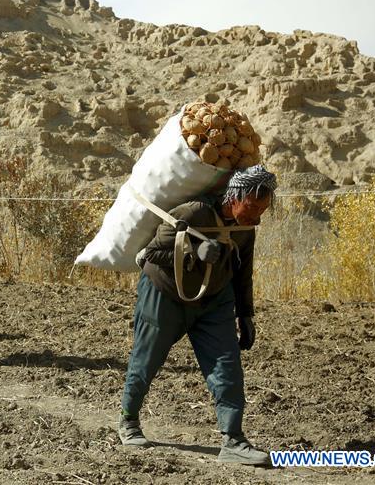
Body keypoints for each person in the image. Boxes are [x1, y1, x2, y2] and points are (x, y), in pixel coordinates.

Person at [118, 165, 278, 466]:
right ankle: (128, 420)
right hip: (164, 294)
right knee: (147, 359)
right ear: (235, 197)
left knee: (227, 366)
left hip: (215, 300)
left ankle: (233, 440)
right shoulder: (193, 213)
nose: (257, 216)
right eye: (253, 207)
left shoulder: (245, 228)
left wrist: (245, 314)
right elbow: (149, 254)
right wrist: (194, 252)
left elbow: (243, 271)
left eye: (263, 210)